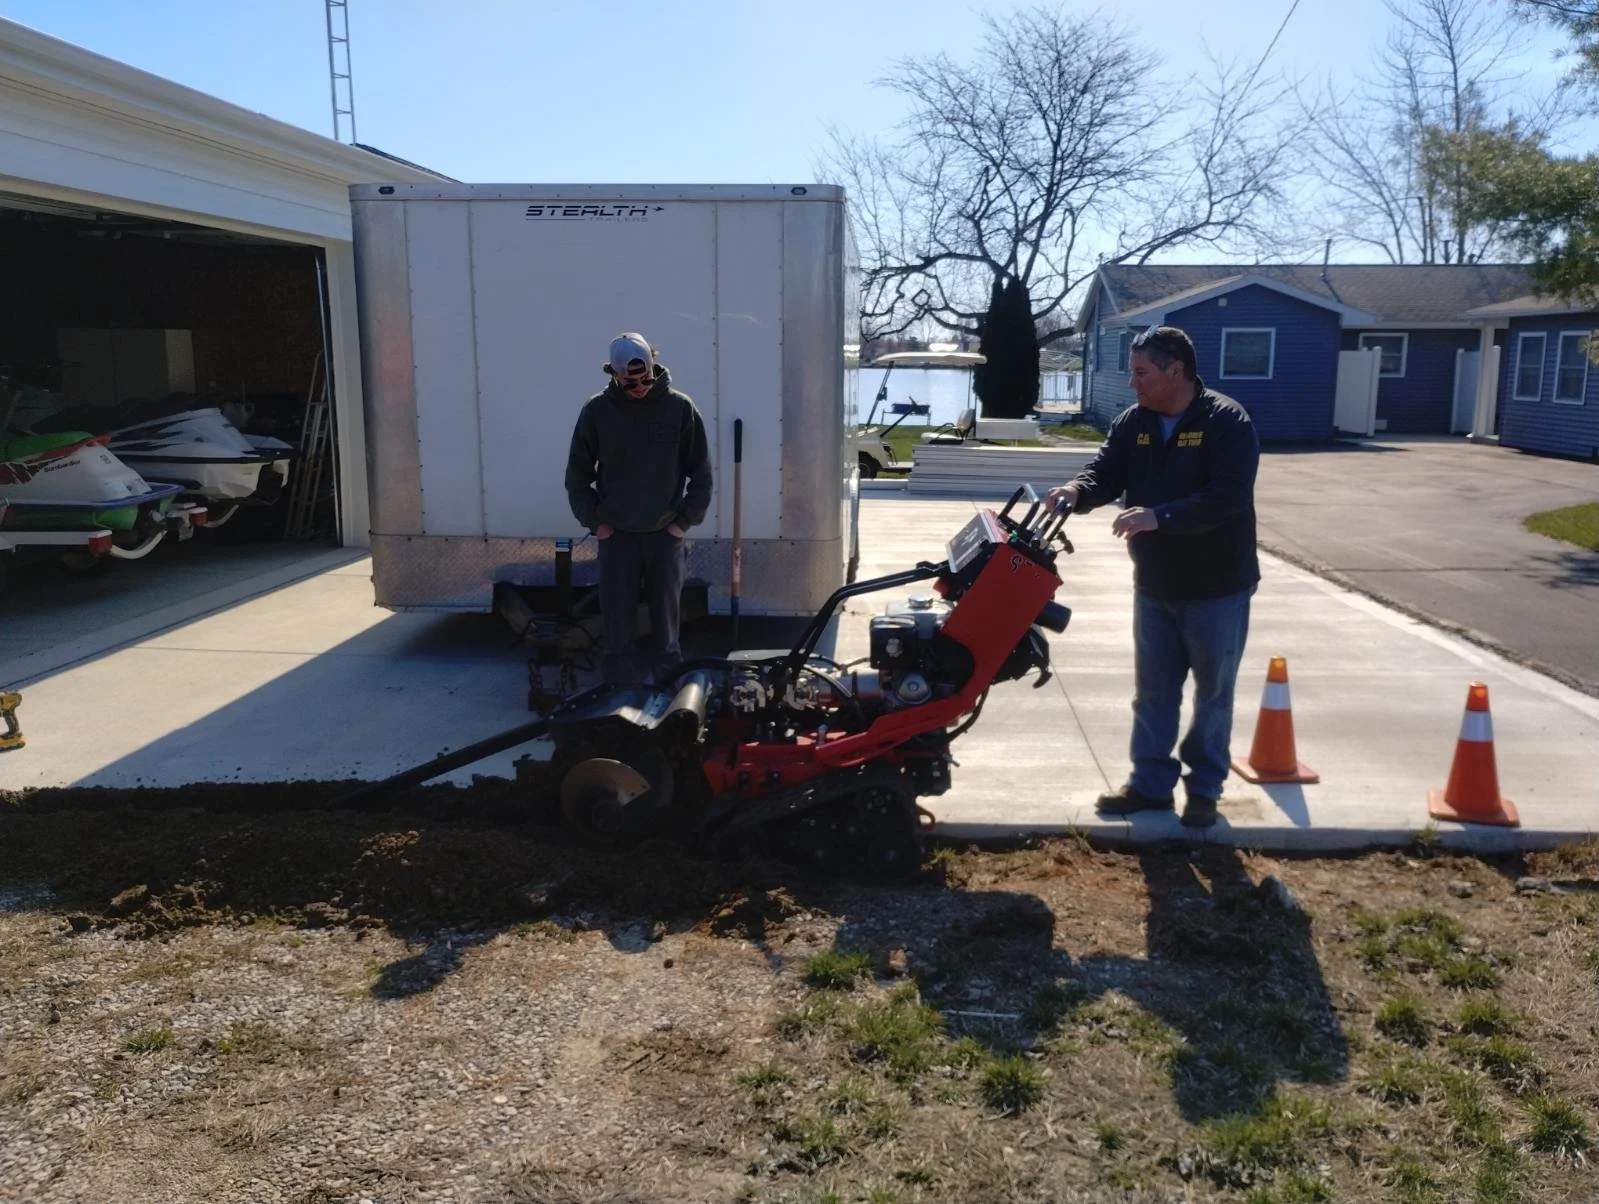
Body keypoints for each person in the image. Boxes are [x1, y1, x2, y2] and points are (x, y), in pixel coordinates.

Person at [1047, 325, 1260, 829]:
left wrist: (1159, 516)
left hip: (1217, 589)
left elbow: (1229, 496)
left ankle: (1204, 790)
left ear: (1176, 371)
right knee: (1154, 693)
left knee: (1213, 694)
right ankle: (1149, 787)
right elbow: (1105, 471)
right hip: (1156, 585)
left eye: (1141, 372)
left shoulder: (1226, 422)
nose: (1131, 382)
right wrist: (1076, 492)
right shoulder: (1133, 423)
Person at [564, 332, 713, 685]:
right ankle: (618, 688)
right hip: (617, 537)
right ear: (614, 374)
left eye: (645, 378)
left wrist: (683, 522)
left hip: (665, 536)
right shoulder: (597, 411)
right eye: (630, 382)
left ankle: (669, 686)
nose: (640, 387)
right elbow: (577, 476)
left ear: (653, 366)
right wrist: (596, 523)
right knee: (617, 622)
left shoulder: (680, 408)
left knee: (666, 624)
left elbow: (702, 473)